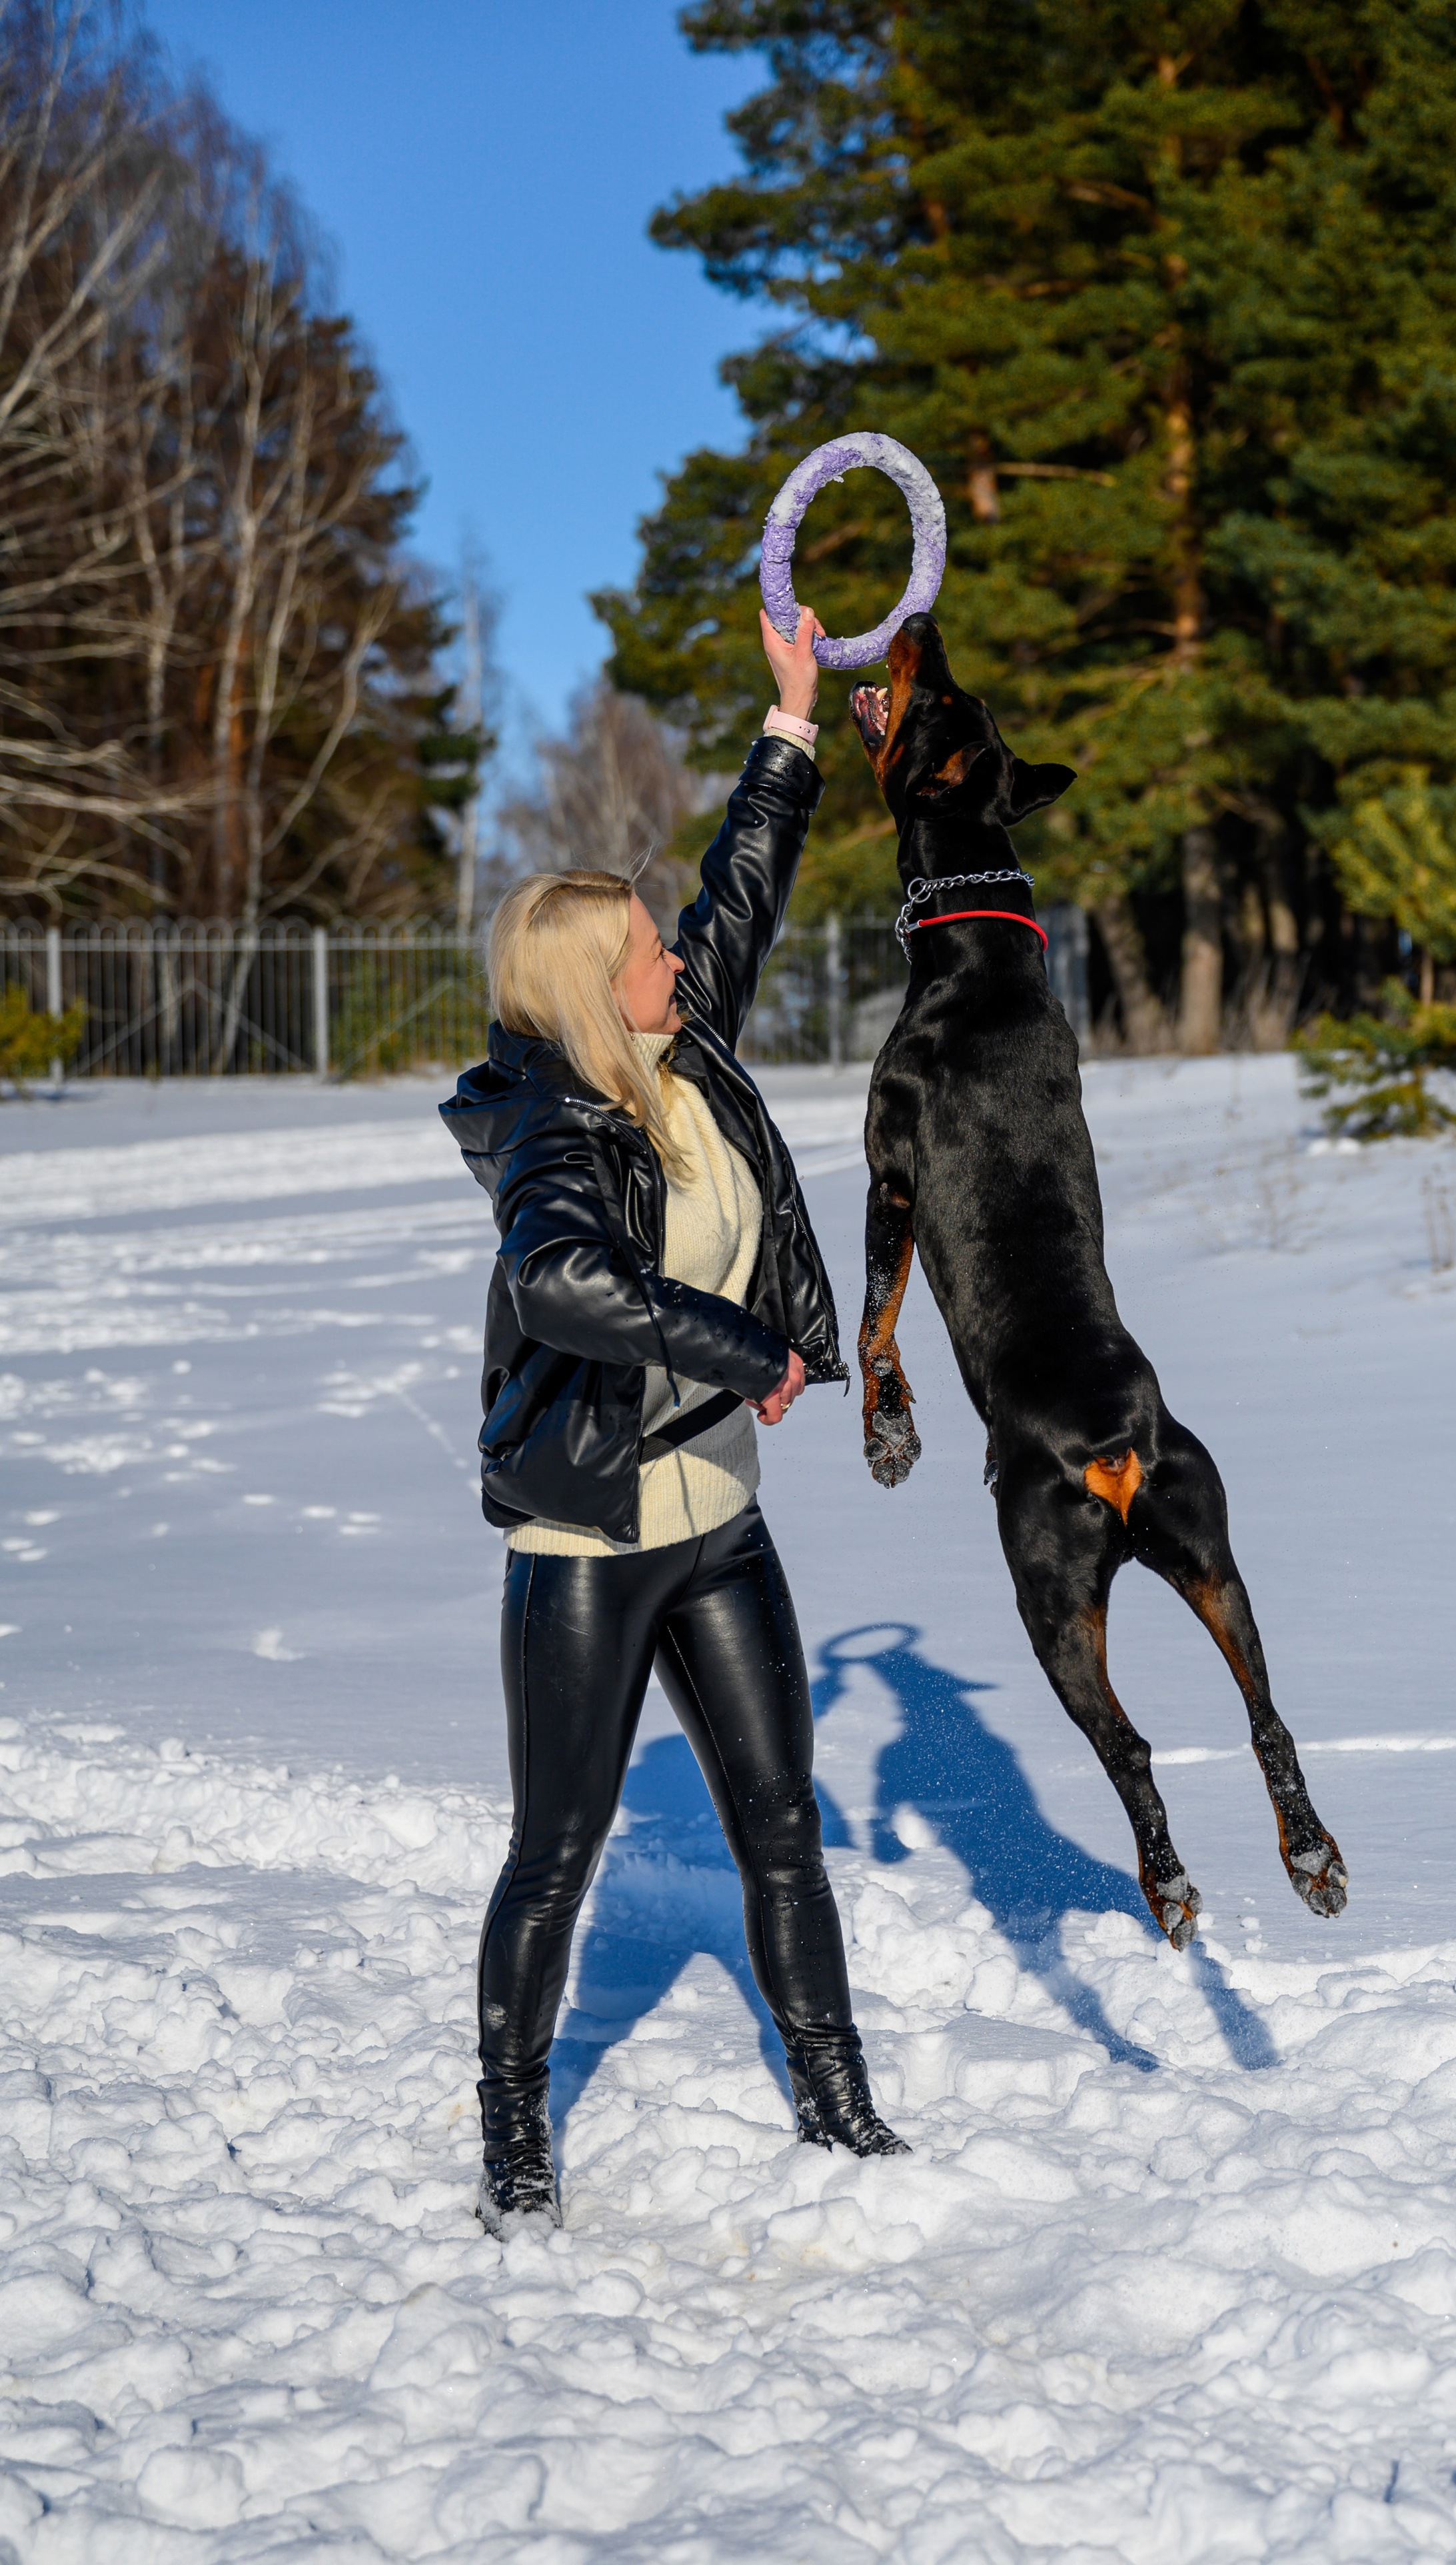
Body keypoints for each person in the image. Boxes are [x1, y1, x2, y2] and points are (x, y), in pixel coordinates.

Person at [441, 607, 906, 2235]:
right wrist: (746, 1337)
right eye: (643, 950)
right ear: (591, 993)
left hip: (719, 1521)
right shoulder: (546, 1129)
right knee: (556, 1851)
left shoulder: (673, 1036)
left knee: (781, 1830)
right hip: (587, 1539)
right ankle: (512, 2123)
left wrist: (789, 725)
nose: (674, 958)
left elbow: (739, 896)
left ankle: (839, 2098)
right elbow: (565, 1281)